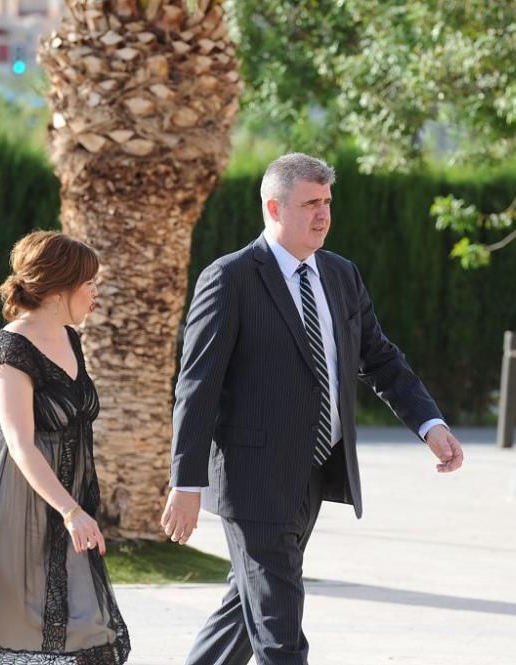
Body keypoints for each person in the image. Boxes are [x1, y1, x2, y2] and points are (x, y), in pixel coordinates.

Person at [160, 152, 464, 665]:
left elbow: (381, 360)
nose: (322, 215)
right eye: (309, 204)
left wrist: (429, 424)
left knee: (246, 608)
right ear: (274, 208)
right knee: (280, 629)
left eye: (327, 202)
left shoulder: (341, 275)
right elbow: (197, 387)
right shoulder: (230, 279)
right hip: (252, 480)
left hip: (314, 475)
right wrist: (186, 484)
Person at [0, 231, 130, 665]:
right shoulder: (11, 349)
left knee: (88, 628)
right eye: (89, 284)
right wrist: (70, 510)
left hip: (61, 504)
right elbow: (19, 443)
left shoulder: (71, 339)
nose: (96, 294)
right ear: (59, 289)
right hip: (10, 504)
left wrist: (74, 507)